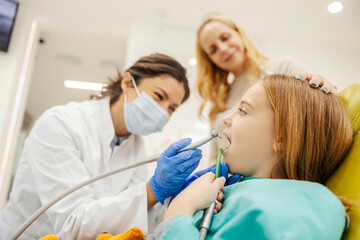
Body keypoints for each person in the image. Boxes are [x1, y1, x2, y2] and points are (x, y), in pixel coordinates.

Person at [0, 53, 205, 239]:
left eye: (171, 108)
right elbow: (73, 221)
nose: (162, 111)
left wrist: (177, 197)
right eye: (158, 96)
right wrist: (154, 189)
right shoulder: (60, 124)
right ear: (127, 82)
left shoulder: (136, 148)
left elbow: (132, 217)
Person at [148, 74, 353, 239]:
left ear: (285, 137)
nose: (227, 120)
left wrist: (180, 210)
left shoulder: (309, 208)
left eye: (243, 111)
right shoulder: (238, 191)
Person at [195, 15, 338, 163]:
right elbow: (214, 156)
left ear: (239, 34)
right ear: (210, 60)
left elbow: (319, 116)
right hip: (227, 184)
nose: (223, 49)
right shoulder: (220, 101)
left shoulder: (282, 68)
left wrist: (326, 93)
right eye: (213, 50)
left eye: (225, 38)